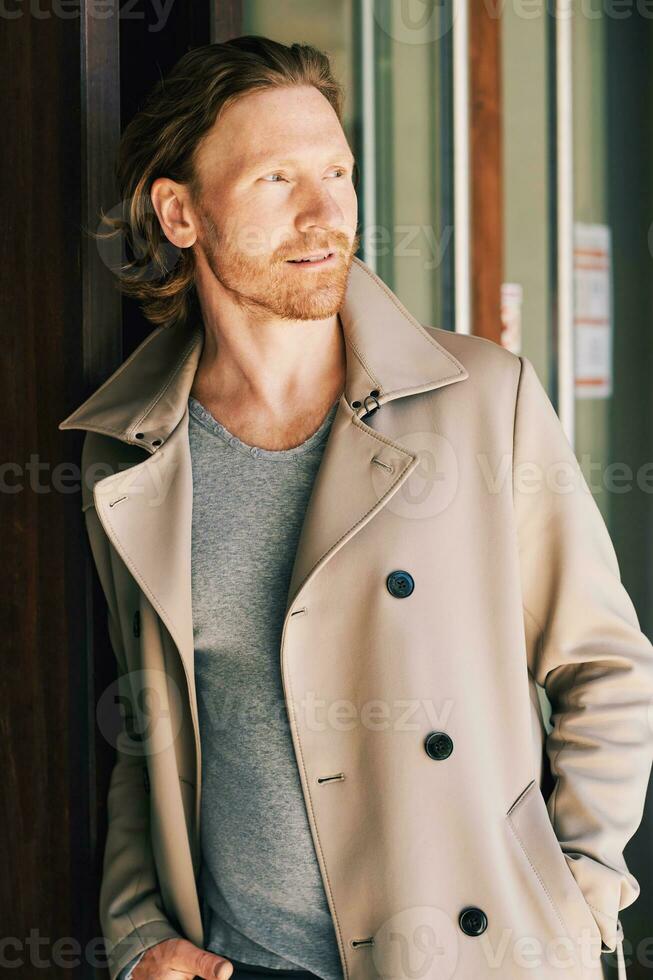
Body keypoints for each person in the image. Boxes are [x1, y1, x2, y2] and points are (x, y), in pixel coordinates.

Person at [58, 35, 653, 980]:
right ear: (179, 212)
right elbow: (149, 735)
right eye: (277, 179)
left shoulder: (478, 402)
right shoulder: (127, 453)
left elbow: (603, 667)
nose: (326, 212)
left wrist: (576, 898)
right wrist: (136, 935)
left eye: (337, 171)